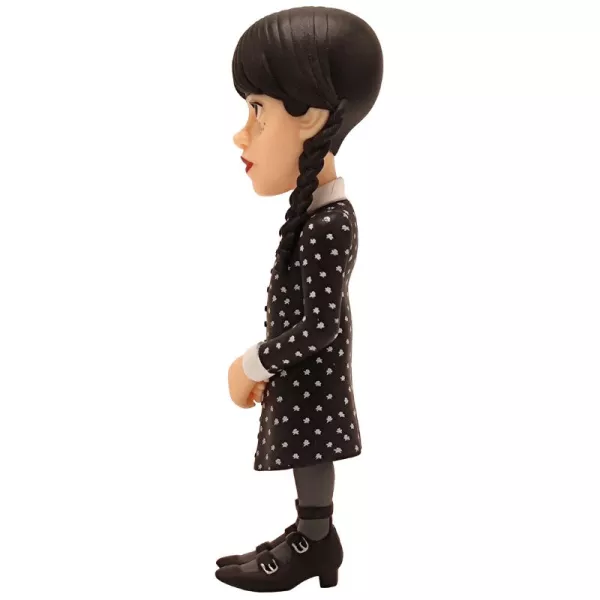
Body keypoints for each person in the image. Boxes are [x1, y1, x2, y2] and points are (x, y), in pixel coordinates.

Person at [216, 6, 383, 592]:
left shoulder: (329, 223)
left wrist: (251, 363)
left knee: (311, 450)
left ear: (310, 116)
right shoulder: (315, 215)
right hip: (304, 375)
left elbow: (321, 327)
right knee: (307, 453)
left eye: (258, 111)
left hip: (314, 376)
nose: (242, 133)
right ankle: (309, 535)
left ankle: (315, 541)